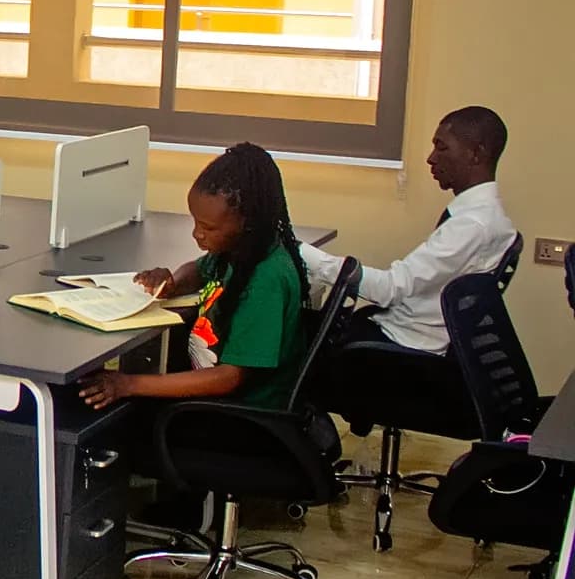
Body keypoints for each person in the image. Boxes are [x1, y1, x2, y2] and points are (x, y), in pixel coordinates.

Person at [79, 143, 311, 415]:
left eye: (208, 227)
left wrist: (128, 384)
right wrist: (174, 282)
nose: (196, 234)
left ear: (247, 222)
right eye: (196, 222)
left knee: (123, 413)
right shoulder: (238, 251)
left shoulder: (265, 278)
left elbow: (229, 378)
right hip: (213, 398)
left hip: (239, 416)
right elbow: (199, 269)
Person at [301, 106, 515, 354]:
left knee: (293, 332)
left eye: (442, 147)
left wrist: (303, 252)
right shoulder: (484, 218)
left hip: (401, 348)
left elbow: (389, 289)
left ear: (475, 154)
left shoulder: (472, 227)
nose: (431, 158)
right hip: (400, 331)